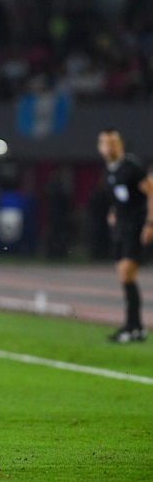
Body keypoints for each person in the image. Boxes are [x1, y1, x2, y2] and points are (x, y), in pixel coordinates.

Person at [97, 128, 153, 343]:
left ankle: (132, 326)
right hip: (121, 227)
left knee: (127, 274)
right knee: (124, 276)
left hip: (136, 226)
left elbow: (151, 192)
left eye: (111, 143)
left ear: (119, 145)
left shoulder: (131, 166)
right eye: (104, 143)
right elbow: (119, 198)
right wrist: (113, 212)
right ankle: (136, 327)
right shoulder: (109, 170)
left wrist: (150, 223)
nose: (107, 147)